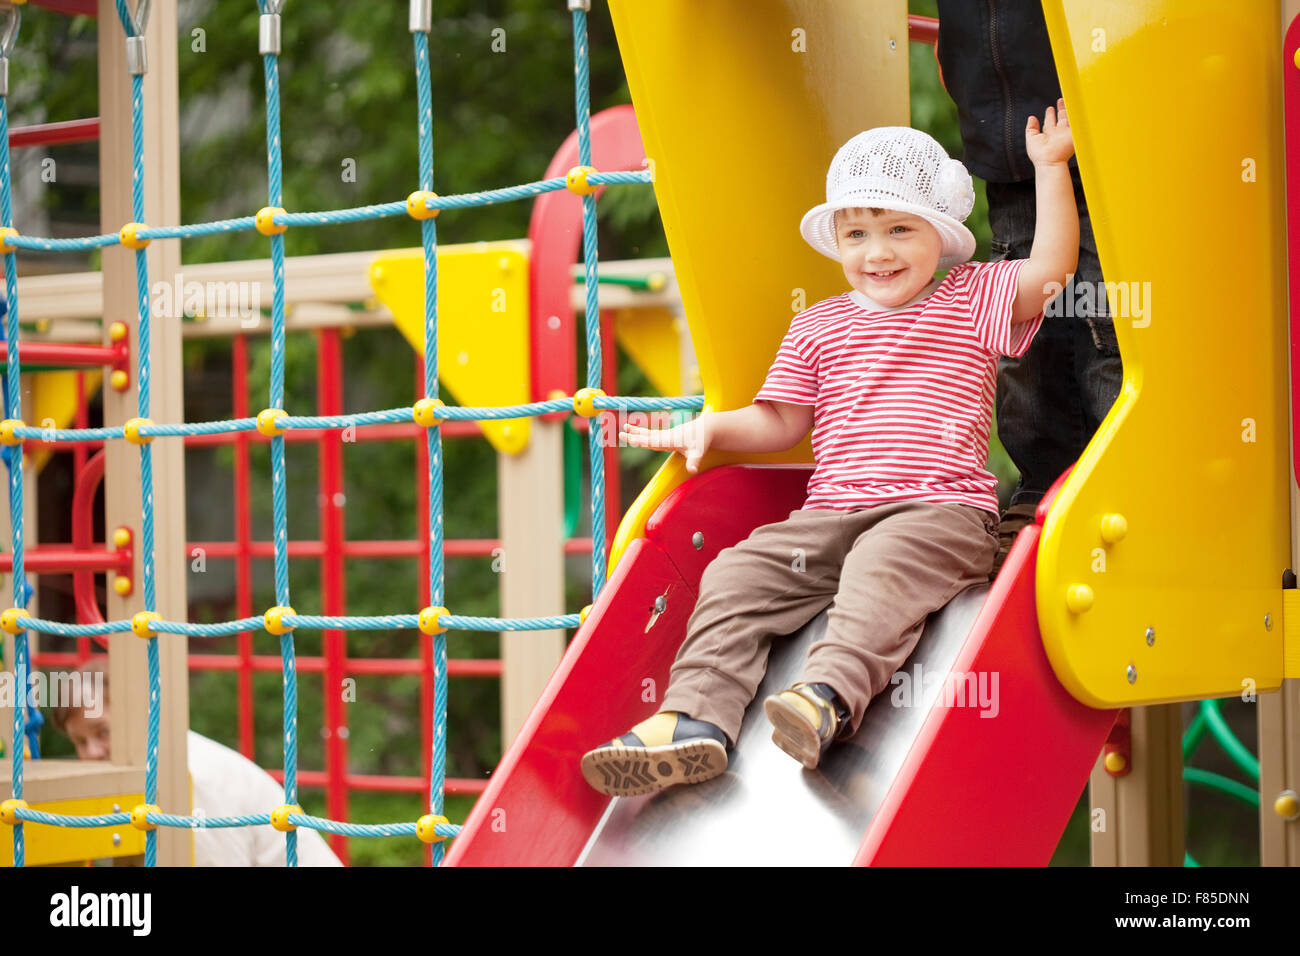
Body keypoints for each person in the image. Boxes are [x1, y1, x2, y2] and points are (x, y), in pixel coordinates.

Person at [580, 114, 1078, 795]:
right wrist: (710, 429)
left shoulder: (973, 295)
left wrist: (1050, 167)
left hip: (939, 514)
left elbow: (1053, 270)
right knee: (735, 575)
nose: (878, 252)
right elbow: (781, 420)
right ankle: (695, 718)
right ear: (837, 242)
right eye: (857, 234)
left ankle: (827, 698)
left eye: (900, 229)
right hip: (831, 515)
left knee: (879, 569)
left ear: (941, 235)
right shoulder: (818, 325)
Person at [935, 0, 1122, 571]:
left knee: (1103, 316)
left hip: (1104, 137)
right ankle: (1041, 482)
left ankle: (1117, 478)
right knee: (1027, 330)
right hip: (1008, 148)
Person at [52, 660, 342, 867]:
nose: (91, 753)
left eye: (103, 732)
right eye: (79, 741)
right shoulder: (158, 760)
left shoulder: (192, 775)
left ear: (139, 714)